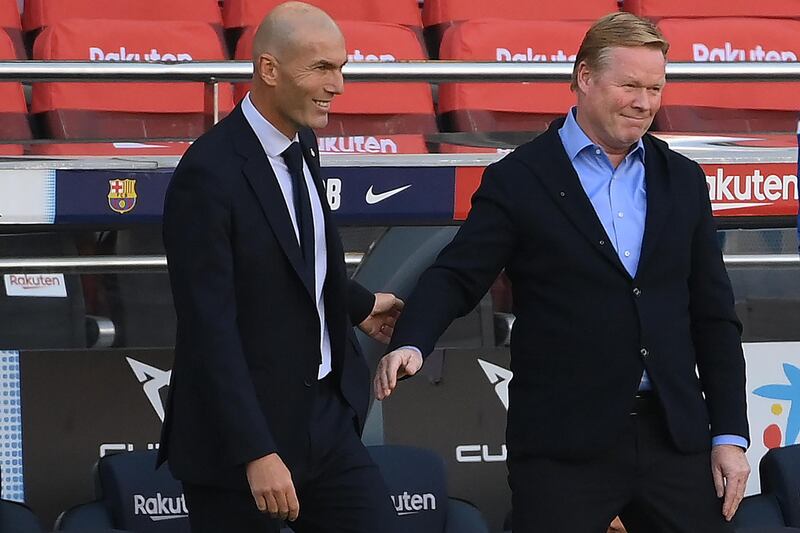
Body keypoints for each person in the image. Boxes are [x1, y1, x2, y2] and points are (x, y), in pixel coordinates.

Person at [375, 12, 751, 533]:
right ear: (583, 77)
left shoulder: (682, 180)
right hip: (562, 447)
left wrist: (729, 434)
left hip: (675, 439)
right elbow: (459, 274)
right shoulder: (519, 179)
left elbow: (714, 317)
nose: (644, 102)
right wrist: (413, 339)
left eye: (655, 88)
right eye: (630, 85)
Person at [157, 3, 402, 531]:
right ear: (269, 70)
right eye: (322, 68)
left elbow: (298, 258)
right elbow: (208, 328)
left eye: (341, 68)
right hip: (240, 444)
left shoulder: (302, 142)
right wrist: (255, 451)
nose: (338, 85)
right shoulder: (208, 173)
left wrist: (359, 306)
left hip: (324, 421)